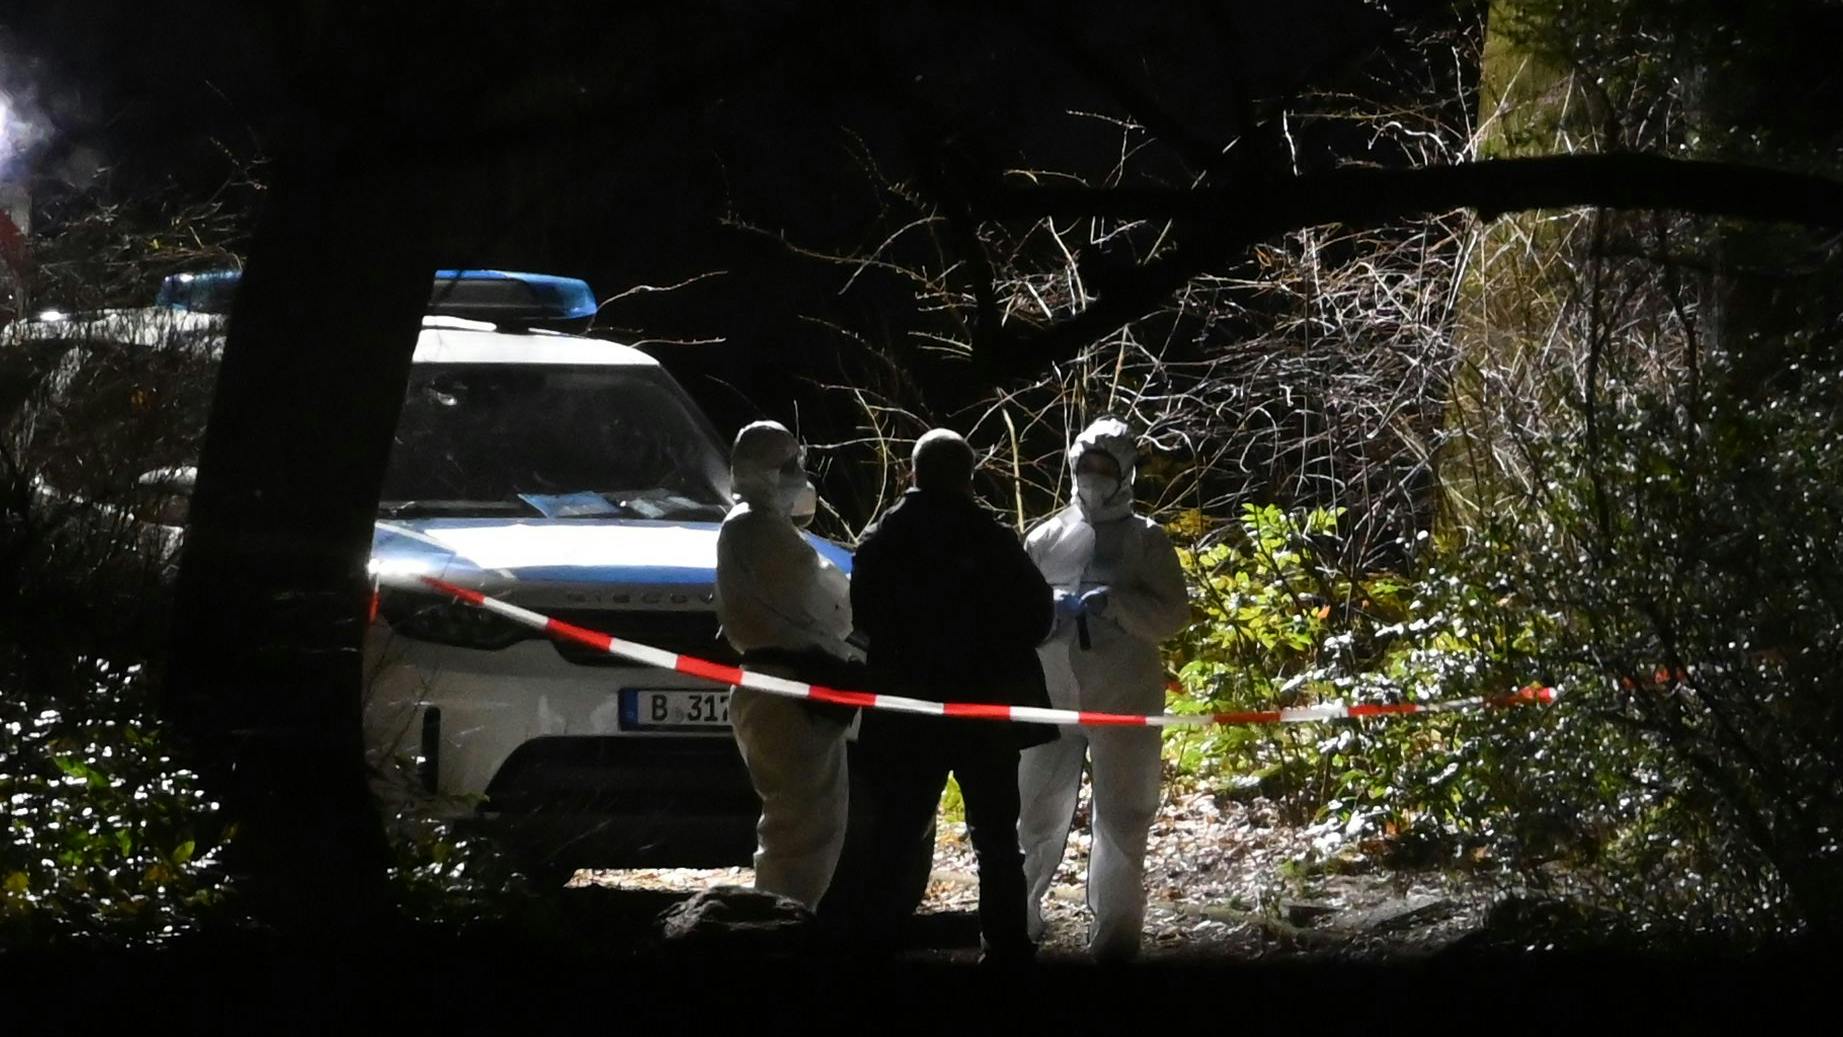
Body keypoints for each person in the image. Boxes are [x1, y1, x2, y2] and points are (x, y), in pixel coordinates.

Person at [841, 428, 1055, 963]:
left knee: (897, 833)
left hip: (908, 710)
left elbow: (861, 618)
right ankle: (1006, 946)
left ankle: (875, 943)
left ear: (912, 472)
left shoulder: (882, 539)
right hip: (984, 709)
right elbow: (1038, 615)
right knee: (997, 838)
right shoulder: (993, 537)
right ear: (969, 475)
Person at [1018, 416, 1190, 962]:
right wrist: (1047, 610)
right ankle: (1015, 922)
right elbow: (1009, 615)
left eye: (1103, 467)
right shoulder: (1044, 537)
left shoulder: (1147, 539)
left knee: (1124, 814)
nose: (1092, 476)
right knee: (1033, 812)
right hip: (1049, 694)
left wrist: (1116, 605)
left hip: (1124, 698)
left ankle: (1115, 938)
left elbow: (1173, 615)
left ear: (1124, 473)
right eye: (1084, 466)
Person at [715, 420, 863, 909]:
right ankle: (782, 923)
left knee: (799, 818)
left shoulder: (755, 528)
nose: (798, 475)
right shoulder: (757, 529)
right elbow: (832, 604)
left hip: (778, 687)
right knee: (804, 824)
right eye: (788, 464)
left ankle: (782, 920)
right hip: (787, 691)